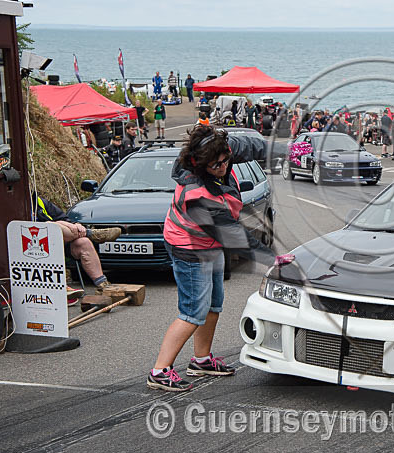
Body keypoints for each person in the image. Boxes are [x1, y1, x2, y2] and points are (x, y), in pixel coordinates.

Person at [148, 126, 272, 391]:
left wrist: (287, 148)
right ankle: (159, 371)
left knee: (214, 304)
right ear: (201, 164)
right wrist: (274, 260)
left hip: (210, 243)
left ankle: (201, 360)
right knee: (193, 311)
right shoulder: (197, 195)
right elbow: (236, 237)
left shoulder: (219, 150)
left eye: (226, 160)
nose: (224, 167)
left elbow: (253, 147)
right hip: (189, 248)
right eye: (217, 165)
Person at [32, 194, 119, 297]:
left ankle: (103, 285)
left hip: (60, 244)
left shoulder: (39, 201)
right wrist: (62, 224)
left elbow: (63, 218)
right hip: (35, 248)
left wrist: (74, 224)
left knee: (83, 243)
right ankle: (91, 233)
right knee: (50, 226)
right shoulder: (16, 205)